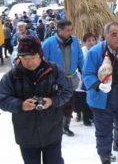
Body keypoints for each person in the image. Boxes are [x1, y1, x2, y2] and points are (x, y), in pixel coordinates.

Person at [0, 35, 73, 164]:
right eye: (25, 58)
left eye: (33, 57)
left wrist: (52, 101)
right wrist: (20, 105)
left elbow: (67, 91)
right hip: (26, 134)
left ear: (40, 55)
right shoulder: (12, 76)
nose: (29, 62)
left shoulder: (53, 70)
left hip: (52, 131)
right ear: (19, 57)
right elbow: (2, 98)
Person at [83, 21, 118, 164]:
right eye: (114, 35)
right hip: (101, 97)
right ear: (105, 35)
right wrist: (98, 85)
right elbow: (87, 74)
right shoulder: (94, 52)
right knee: (104, 133)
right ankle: (105, 159)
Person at [43, 19, 83, 137]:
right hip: (55, 79)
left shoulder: (75, 41)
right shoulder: (48, 43)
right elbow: (43, 61)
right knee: (55, 103)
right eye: (67, 30)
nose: (70, 33)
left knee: (69, 103)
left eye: (71, 30)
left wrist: (84, 71)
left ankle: (66, 126)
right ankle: (54, 126)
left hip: (71, 78)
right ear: (59, 30)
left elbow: (80, 58)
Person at [74, 32, 96, 126]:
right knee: (82, 99)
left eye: (93, 40)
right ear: (84, 42)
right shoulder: (82, 52)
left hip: (92, 78)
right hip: (81, 78)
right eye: (89, 40)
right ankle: (84, 117)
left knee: (90, 98)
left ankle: (89, 117)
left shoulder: (96, 50)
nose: (91, 42)